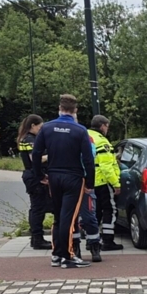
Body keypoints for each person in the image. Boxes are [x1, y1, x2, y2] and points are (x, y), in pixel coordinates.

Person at [32, 94, 95, 269]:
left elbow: (36, 154)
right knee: (69, 216)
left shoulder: (47, 128)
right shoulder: (80, 130)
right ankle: (68, 256)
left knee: (58, 216)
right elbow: (88, 160)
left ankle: (56, 255)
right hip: (73, 177)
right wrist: (90, 182)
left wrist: (40, 176)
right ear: (75, 111)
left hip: (53, 176)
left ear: (59, 109)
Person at [87, 115, 124, 253]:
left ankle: (92, 240)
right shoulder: (102, 142)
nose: (107, 129)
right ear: (103, 126)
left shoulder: (84, 135)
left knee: (93, 212)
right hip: (102, 181)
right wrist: (116, 184)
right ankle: (108, 241)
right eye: (107, 126)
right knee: (110, 210)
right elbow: (107, 167)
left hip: (88, 181)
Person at [16, 114, 52, 250]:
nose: (41, 130)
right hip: (35, 177)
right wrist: (53, 154)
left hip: (34, 176)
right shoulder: (29, 140)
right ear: (33, 126)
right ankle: (37, 239)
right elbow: (35, 159)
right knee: (38, 209)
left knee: (40, 208)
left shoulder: (27, 138)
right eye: (40, 127)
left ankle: (37, 238)